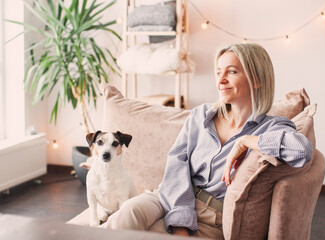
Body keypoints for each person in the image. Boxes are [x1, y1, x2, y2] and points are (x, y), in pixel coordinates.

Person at [101, 43, 313, 239]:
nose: (221, 81)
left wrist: (247, 141)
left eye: (232, 72)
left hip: (211, 218)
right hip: (169, 197)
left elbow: (302, 151)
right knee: (124, 217)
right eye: (219, 72)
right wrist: (180, 224)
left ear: (257, 79)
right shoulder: (202, 116)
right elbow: (177, 163)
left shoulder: (272, 127)